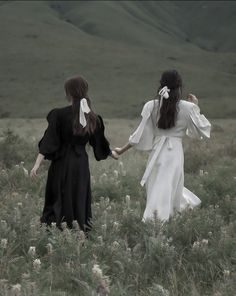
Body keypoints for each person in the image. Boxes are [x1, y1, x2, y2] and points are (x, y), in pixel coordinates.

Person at [115, 70, 211, 221]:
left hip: (157, 152)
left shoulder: (150, 106)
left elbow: (138, 135)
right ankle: (158, 223)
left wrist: (121, 150)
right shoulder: (188, 107)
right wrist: (196, 107)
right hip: (174, 154)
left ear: (161, 85)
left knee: (158, 188)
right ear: (179, 87)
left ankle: (155, 223)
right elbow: (202, 131)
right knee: (167, 187)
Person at [30, 76, 118, 231]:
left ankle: (56, 230)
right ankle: (78, 232)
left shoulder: (59, 114)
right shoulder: (93, 118)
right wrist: (111, 153)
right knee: (78, 196)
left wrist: (37, 164)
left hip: (62, 163)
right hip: (81, 164)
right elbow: (99, 143)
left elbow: (48, 141)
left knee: (58, 195)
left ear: (68, 92)